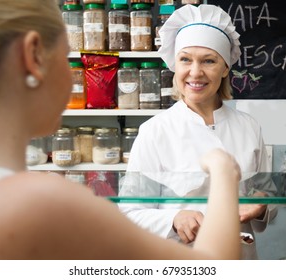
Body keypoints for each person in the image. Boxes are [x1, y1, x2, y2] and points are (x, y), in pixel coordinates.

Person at [0, 0, 242, 260]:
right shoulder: (41, 200)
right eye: (64, 56)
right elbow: (215, 267)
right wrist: (222, 169)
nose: (76, 78)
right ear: (33, 56)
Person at [118, 4, 277, 260]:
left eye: (209, 61)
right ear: (174, 65)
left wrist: (260, 205)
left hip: (240, 260)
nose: (195, 72)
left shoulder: (249, 126)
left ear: (225, 68)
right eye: (185, 59)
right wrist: (173, 219)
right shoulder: (154, 132)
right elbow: (129, 214)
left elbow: (266, 191)